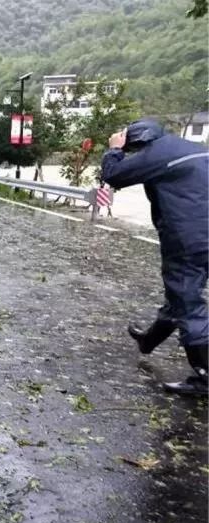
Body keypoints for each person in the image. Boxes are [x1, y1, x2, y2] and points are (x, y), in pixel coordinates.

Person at [101, 118, 209, 396]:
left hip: (188, 238)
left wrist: (115, 148)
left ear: (140, 142)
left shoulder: (155, 154)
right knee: (180, 294)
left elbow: (114, 174)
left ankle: (205, 378)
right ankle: (148, 341)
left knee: (186, 299)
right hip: (202, 232)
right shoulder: (192, 147)